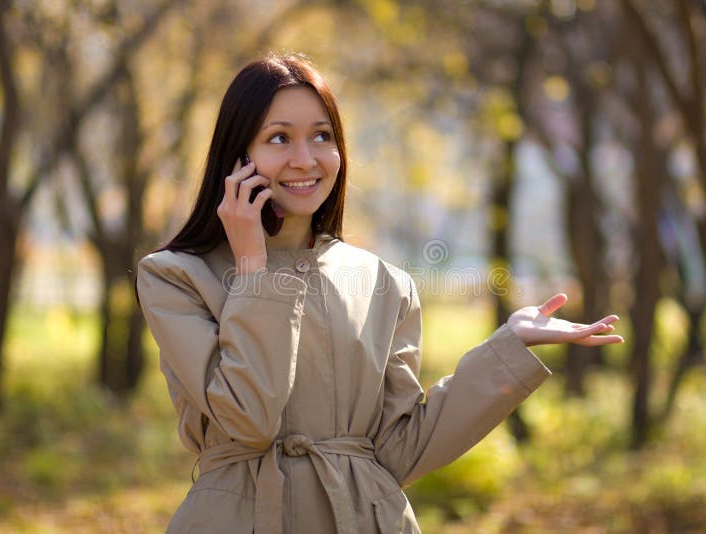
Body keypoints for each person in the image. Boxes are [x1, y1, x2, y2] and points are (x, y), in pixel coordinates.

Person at [135, 53, 623, 534]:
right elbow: (249, 420)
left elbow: (397, 451)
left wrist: (508, 348)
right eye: (279, 137)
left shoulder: (382, 283)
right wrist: (253, 268)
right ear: (238, 155)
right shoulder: (176, 277)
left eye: (321, 136)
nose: (305, 159)